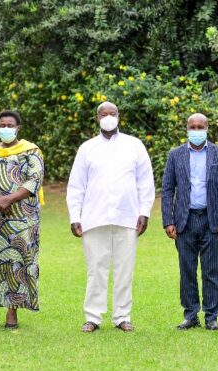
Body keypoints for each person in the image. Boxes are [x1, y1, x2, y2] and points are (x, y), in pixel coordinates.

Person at [67, 101, 155, 333]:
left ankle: (122, 316)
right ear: (97, 118)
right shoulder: (87, 148)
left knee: (124, 269)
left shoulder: (134, 145)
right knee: (96, 269)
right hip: (94, 218)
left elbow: (145, 182)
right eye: (103, 114)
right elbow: (76, 185)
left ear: (119, 116)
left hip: (127, 217)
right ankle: (93, 317)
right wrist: (75, 216)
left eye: (112, 113)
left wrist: (144, 212)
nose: (108, 117)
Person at [161, 113, 218, 331]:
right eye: (192, 127)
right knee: (187, 270)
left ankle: (211, 316)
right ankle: (191, 314)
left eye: (200, 126)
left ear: (207, 128)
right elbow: (167, 190)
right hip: (184, 220)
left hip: (212, 220)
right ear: (186, 129)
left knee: (211, 271)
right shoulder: (175, 155)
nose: (196, 130)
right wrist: (168, 220)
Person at [0, 110, 44, 329]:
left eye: (10, 124)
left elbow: (35, 180)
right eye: (2, 124)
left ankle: (13, 312)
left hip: (22, 218)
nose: (6, 128)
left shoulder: (31, 151)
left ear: (17, 128)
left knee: (17, 262)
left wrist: (9, 199)